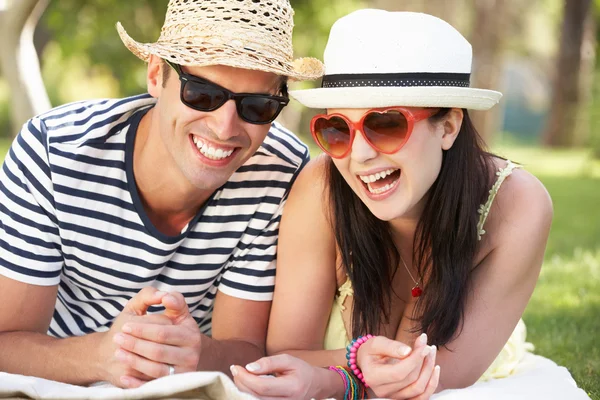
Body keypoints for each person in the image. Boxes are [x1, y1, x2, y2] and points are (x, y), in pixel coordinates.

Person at [231, 10, 589, 400]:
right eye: (336, 129)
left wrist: (335, 378)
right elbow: (285, 354)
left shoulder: (517, 206)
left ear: (449, 126)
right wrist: (354, 364)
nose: (359, 155)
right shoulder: (321, 188)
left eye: (386, 124)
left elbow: (434, 378)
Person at [0, 0, 323, 390]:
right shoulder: (54, 150)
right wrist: (103, 356)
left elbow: (248, 350)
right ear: (156, 75)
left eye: (257, 106)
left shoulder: (279, 171)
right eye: (202, 94)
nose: (225, 128)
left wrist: (196, 352)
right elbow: (6, 343)